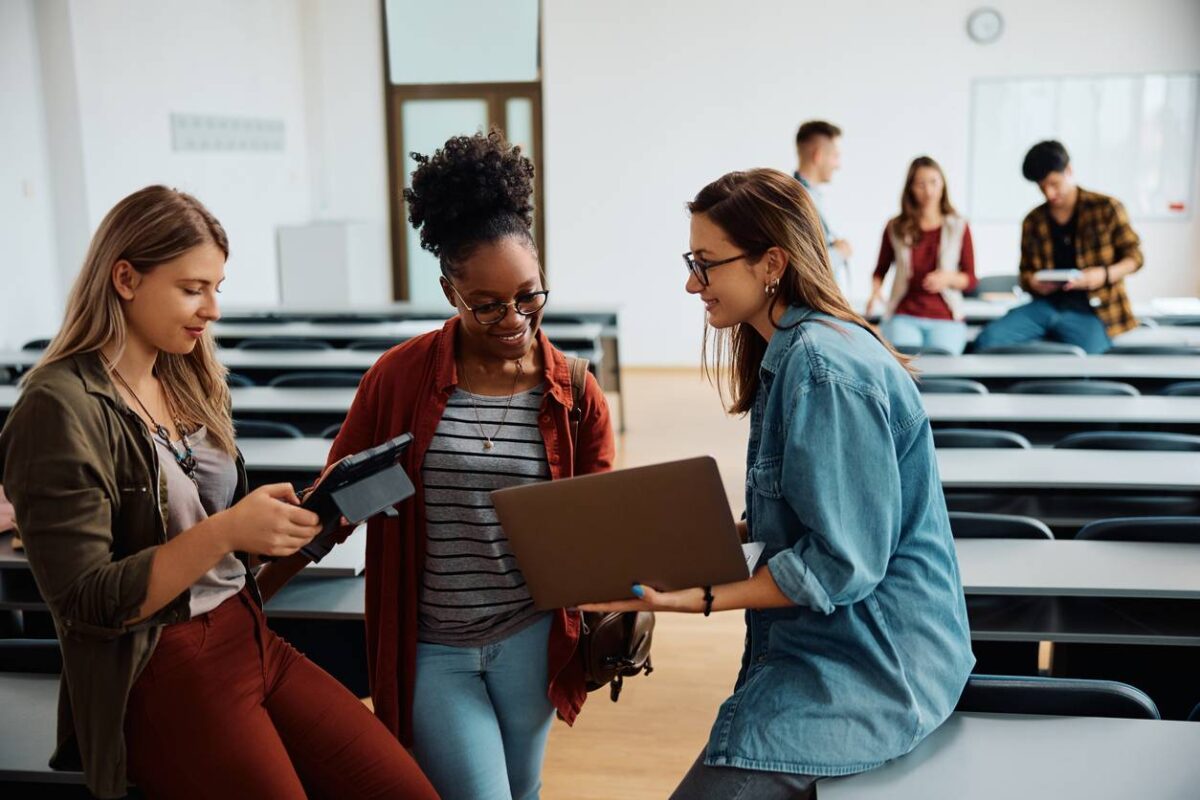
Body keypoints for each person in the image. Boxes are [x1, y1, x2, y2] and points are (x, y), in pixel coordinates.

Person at [0, 186, 438, 800]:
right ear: (125, 278)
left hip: (249, 635)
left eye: (217, 288)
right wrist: (228, 530)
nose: (212, 309)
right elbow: (87, 603)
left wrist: (277, 528)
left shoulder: (183, 375)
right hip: (162, 669)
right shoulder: (56, 406)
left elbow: (205, 541)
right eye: (192, 288)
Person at [583, 169, 974, 799]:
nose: (691, 282)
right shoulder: (794, 352)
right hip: (840, 652)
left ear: (772, 264)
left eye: (705, 264)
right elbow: (799, 519)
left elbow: (843, 563)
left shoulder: (821, 369)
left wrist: (698, 598)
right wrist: (668, 544)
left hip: (874, 668)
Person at [257, 131, 615, 800]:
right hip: (433, 647)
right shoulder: (397, 379)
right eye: (487, 304)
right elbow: (336, 507)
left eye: (530, 296)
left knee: (523, 789)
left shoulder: (574, 393)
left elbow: (597, 533)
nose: (514, 319)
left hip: (532, 637)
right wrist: (250, 599)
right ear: (450, 288)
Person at [974, 140, 1144, 354]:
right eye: (1042, 187)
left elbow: (1135, 257)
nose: (1049, 193)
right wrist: (1034, 283)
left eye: (1054, 184)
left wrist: (1104, 274)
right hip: (1045, 306)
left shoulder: (1106, 208)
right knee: (987, 341)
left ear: (1069, 171)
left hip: (1094, 309)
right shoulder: (1033, 220)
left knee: (1093, 356)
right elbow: (1025, 273)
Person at [868, 156, 977, 354]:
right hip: (904, 314)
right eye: (920, 184)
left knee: (943, 362)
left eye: (934, 182)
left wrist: (948, 278)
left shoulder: (959, 226)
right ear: (910, 188)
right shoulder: (895, 227)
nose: (928, 191)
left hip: (946, 316)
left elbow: (970, 279)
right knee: (906, 364)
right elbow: (880, 270)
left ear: (943, 184)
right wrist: (875, 291)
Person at [794, 120, 852, 295]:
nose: (838, 165)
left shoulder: (809, 196)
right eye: (835, 156)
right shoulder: (798, 200)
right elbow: (804, 266)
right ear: (818, 155)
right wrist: (839, 252)